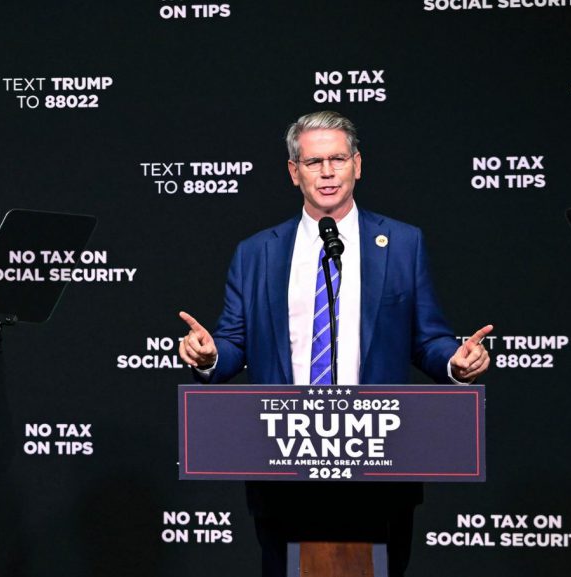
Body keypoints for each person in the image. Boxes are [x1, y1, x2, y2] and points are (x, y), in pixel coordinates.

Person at [178, 111, 491, 577]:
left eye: (337, 159)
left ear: (357, 165)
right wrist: (208, 356)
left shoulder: (403, 243)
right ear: (293, 172)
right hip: (283, 458)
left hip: (380, 458)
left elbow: (427, 339)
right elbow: (232, 344)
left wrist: (455, 362)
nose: (327, 172)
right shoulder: (256, 252)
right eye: (314, 162)